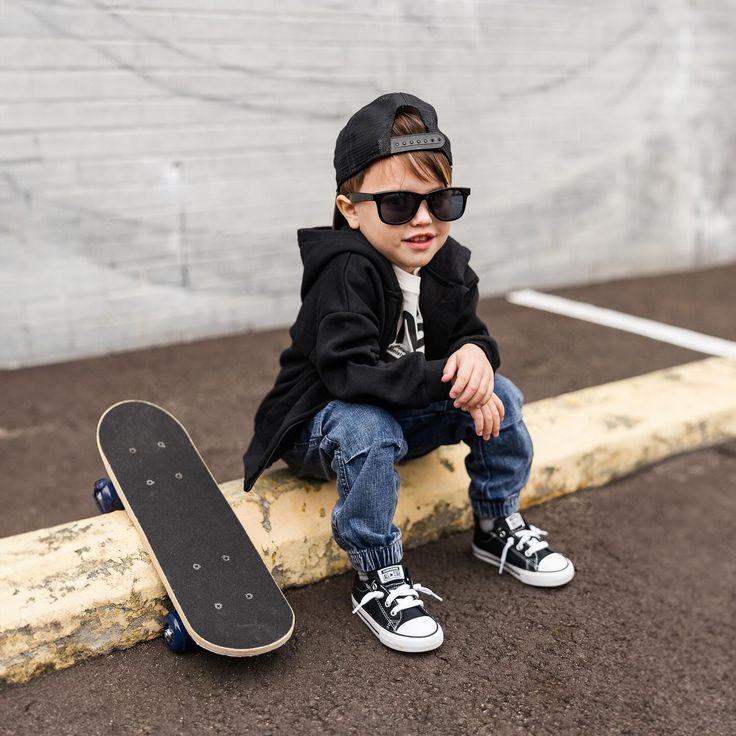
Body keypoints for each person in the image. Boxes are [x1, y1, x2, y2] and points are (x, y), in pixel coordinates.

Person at [243, 92, 574, 654]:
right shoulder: (344, 271)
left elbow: (472, 332)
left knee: (506, 396)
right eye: (397, 204)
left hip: (401, 414)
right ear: (350, 209)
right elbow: (350, 374)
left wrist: (476, 358)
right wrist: (451, 374)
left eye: (440, 200)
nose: (423, 220)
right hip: (323, 422)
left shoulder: (446, 262)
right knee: (366, 426)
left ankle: (496, 524)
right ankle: (375, 573)